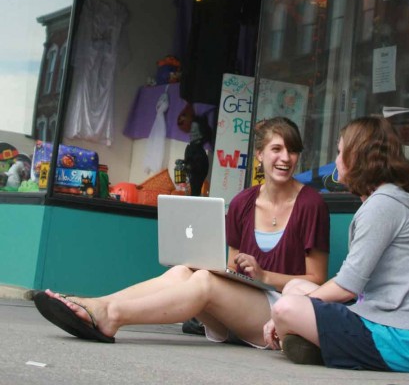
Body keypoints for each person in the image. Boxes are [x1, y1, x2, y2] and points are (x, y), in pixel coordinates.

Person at [33, 116, 330, 347]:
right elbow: (230, 265)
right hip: (236, 310)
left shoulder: (310, 204)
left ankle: (110, 316)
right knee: (182, 272)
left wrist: (264, 276)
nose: (286, 158)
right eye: (276, 149)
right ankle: (96, 303)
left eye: (292, 151)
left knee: (203, 281)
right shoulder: (243, 202)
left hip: (278, 313)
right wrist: (227, 266)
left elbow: (317, 281)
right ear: (259, 156)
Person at [264, 115, 409, 373]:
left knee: (286, 306)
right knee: (294, 287)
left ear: (356, 157)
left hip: (400, 341)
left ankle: (314, 344)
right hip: (389, 327)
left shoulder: (382, 206)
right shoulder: (384, 201)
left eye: (339, 152)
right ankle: (317, 344)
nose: (335, 160)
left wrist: (278, 317)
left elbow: (347, 287)